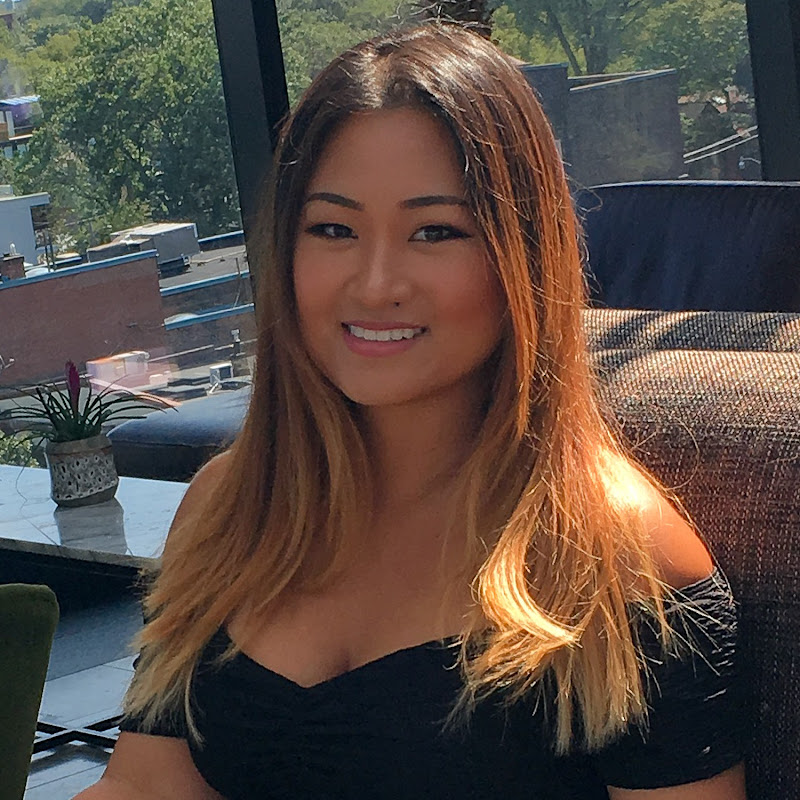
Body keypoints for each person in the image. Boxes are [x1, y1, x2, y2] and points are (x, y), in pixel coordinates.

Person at [76, 23, 747, 800]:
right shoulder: (228, 507)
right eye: (333, 229)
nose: (375, 284)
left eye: (435, 231)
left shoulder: (614, 553)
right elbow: (146, 784)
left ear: (522, 257)